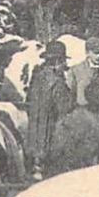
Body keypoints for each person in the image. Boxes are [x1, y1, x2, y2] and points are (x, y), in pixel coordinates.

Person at [23, 40, 76, 178]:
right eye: (63, 61)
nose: (65, 65)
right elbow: (65, 108)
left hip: (33, 136)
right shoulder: (58, 83)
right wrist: (71, 88)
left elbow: (28, 101)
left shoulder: (37, 78)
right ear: (57, 61)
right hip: (51, 138)